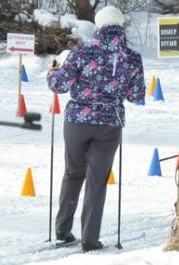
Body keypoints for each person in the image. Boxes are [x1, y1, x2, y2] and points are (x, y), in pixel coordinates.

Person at [47, 6, 145, 252]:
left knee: (73, 172)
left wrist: (52, 72)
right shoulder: (132, 57)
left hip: (77, 119)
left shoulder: (82, 51)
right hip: (109, 122)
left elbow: (60, 85)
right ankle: (90, 239)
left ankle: (62, 228)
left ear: (98, 25)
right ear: (121, 25)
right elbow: (136, 95)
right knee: (97, 180)